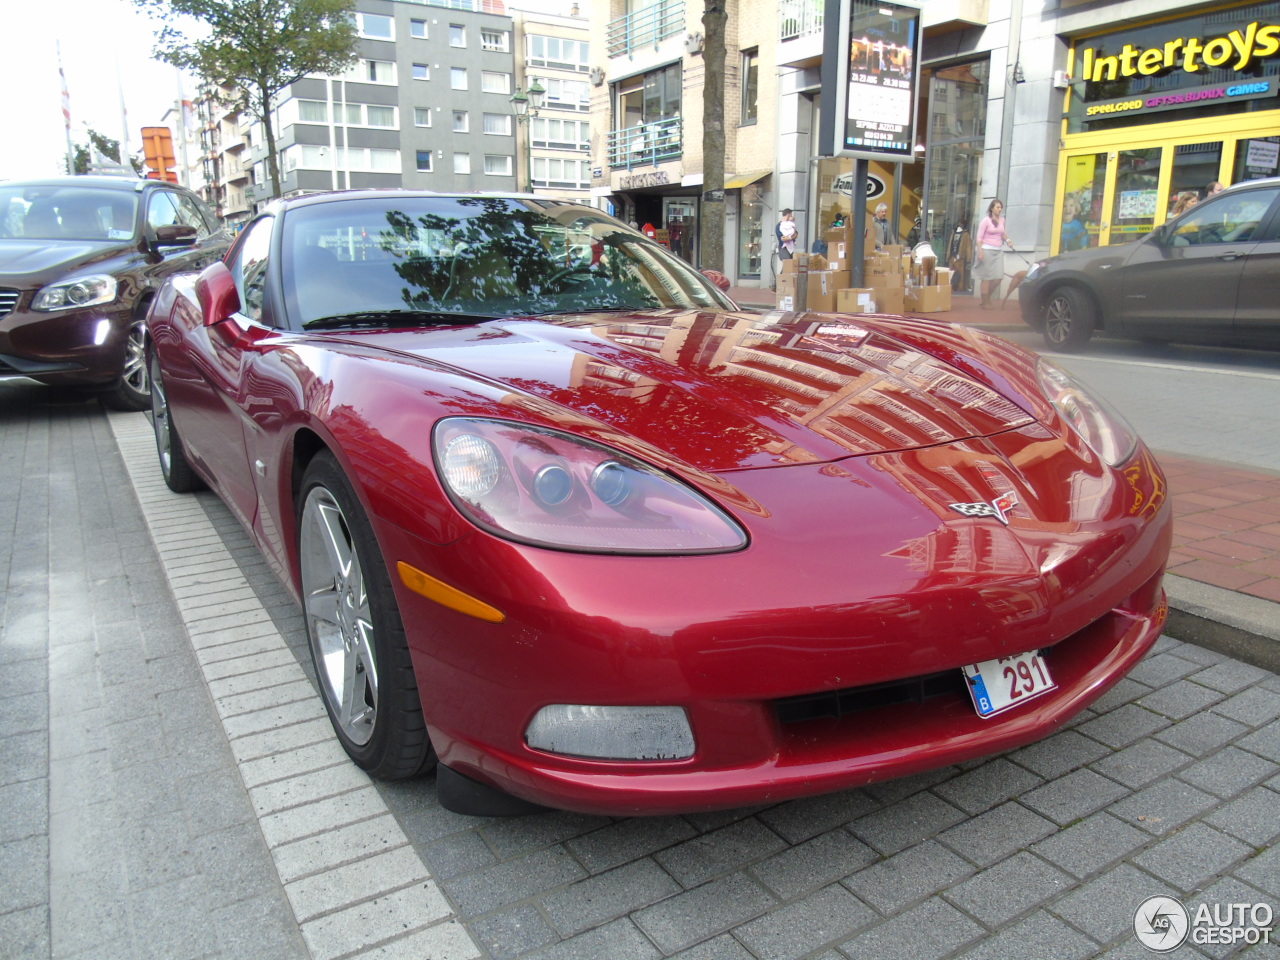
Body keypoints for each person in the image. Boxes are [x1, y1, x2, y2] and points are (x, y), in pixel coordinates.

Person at [974, 199, 1015, 309]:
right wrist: (980, 251)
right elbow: (979, 238)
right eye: (997, 207)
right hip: (986, 249)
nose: (1000, 209)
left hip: (998, 250)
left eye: (1001, 207)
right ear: (992, 208)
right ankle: (985, 301)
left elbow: (1003, 234)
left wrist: (1008, 241)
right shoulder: (986, 221)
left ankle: (986, 297)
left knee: (999, 277)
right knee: (986, 277)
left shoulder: (1002, 220)